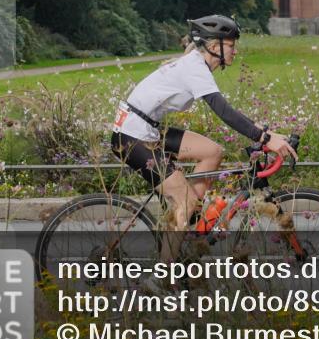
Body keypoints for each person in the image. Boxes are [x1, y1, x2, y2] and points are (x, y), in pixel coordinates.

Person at [110, 15, 297, 238]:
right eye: (230, 45)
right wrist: (264, 139)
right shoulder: (195, 68)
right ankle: (173, 250)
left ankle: (190, 220)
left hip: (147, 129)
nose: (235, 51)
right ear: (213, 47)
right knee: (186, 201)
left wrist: (267, 133)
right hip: (131, 136)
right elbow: (224, 111)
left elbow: (230, 111)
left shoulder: (196, 64)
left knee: (212, 151)